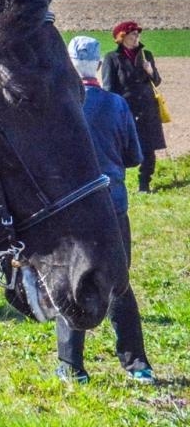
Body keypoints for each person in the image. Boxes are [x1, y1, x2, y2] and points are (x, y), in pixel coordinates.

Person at [56, 36, 155, 384]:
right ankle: (136, 363)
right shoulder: (117, 105)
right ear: (99, 65)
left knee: (71, 284)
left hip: (70, 210)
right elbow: (134, 157)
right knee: (120, 286)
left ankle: (72, 367)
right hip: (112, 206)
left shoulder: (60, 104)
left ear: (69, 63)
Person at [100, 20, 166, 193]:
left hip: (147, 110)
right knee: (119, 148)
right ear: (122, 37)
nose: (137, 36)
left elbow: (157, 82)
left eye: (138, 33)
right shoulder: (111, 58)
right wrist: (111, 111)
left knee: (149, 148)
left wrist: (151, 71)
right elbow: (108, 87)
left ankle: (144, 184)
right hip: (125, 110)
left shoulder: (147, 55)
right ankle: (115, 183)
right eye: (133, 33)